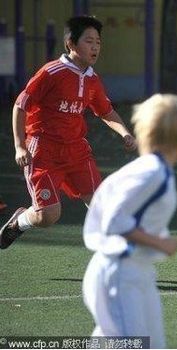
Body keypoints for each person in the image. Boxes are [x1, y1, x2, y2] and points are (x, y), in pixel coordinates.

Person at [0, 16, 136, 249]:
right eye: (89, 41)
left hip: (77, 151)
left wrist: (124, 132)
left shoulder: (92, 79)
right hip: (43, 152)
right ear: (71, 44)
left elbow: (106, 111)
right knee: (48, 216)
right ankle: (19, 222)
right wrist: (19, 146)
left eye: (98, 42)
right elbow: (20, 105)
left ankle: (117, 254)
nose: (95, 47)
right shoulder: (51, 72)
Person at [82, 94, 177, 348]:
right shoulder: (152, 172)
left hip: (137, 271)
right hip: (119, 272)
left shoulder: (154, 169)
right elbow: (113, 221)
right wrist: (160, 243)